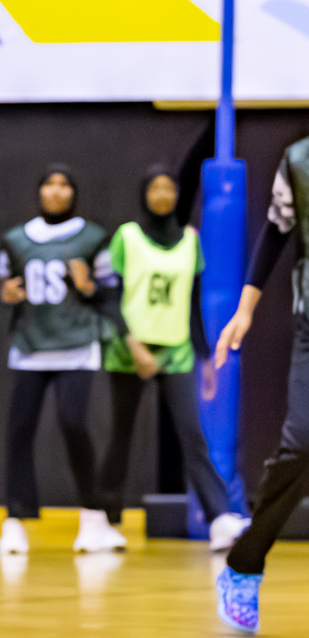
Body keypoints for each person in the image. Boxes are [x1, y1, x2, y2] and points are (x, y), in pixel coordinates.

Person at [95, 166, 247, 552]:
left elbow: (194, 303)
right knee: (121, 436)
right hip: (130, 347)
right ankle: (103, 520)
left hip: (176, 348)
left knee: (192, 434)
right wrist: (132, 343)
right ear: (145, 194)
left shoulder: (191, 241)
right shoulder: (127, 237)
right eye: (155, 189)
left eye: (169, 189)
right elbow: (108, 295)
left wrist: (206, 357)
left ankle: (220, 519)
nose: (162, 196)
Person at [0, 166, 121, 556]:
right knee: (19, 431)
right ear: (39, 191)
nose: (56, 190)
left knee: (74, 423)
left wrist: (89, 286)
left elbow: (111, 288)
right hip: (32, 345)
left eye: (64, 184)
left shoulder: (92, 236)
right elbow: (2, 283)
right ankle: (16, 520)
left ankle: (93, 516)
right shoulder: (17, 239)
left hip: (77, 343)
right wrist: (8, 293)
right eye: (49, 183)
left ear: (73, 192)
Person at [214, 135, 309, 633]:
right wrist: (245, 310)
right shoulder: (298, 161)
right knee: (303, 444)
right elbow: (276, 232)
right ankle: (243, 564)